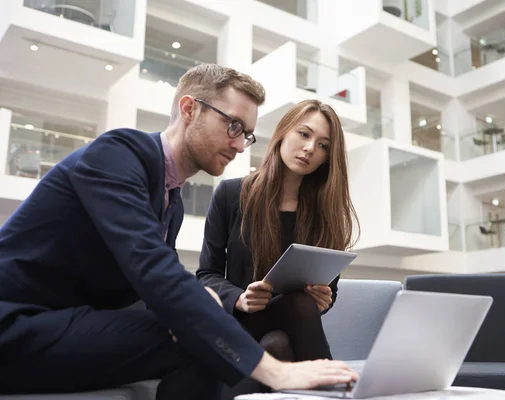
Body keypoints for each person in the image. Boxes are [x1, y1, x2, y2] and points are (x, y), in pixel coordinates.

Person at [0, 64, 358, 399]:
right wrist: (275, 371)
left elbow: (162, 282)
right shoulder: (117, 154)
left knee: (199, 329)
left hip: (61, 323)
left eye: (246, 135)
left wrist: (202, 298)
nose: (238, 145)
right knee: (197, 339)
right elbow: (152, 268)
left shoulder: (172, 201)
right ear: (189, 109)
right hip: (15, 323)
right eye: (233, 126)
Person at [197, 100, 360, 367]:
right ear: (284, 132)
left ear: (328, 158)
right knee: (296, 307)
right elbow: (206, 275)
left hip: (290, 331)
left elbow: (330, 290)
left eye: (323, 145)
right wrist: (239, 298)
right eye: (304, 134)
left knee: (279, 343)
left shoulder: (326, 214)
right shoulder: (231, 194)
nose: (310, 149)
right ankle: (336, 386)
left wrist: (323, 301)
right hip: (240, 326)